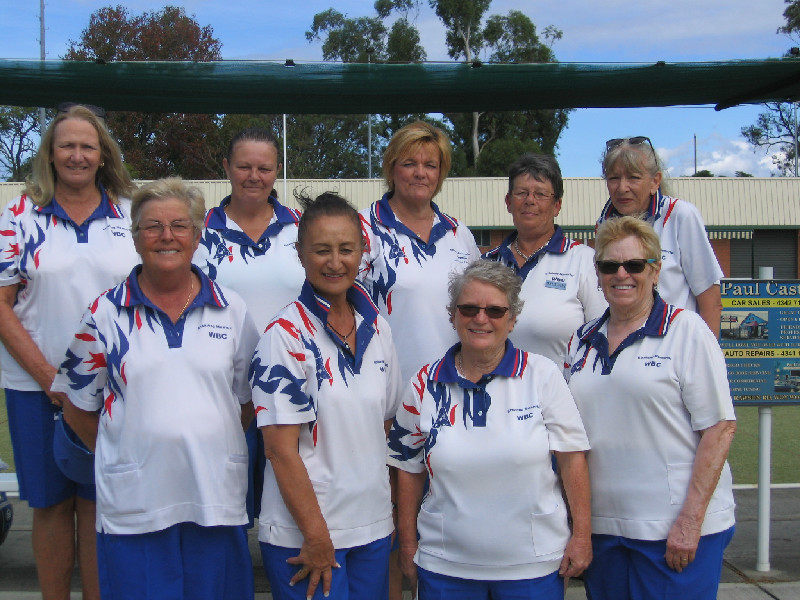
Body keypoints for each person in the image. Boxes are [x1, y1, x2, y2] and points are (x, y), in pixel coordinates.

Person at [51, 177, 259, 600]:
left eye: (180, 225)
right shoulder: (105, 313)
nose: (167, 237)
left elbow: (247, 401)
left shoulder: (232, 308)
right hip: (136, 504)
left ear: (198, 235)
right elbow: (76, 406)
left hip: (213, 497)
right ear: (135, 237)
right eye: (152, 227)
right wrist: (125, 445)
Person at [389, 260, 592, 600]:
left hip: (533, 567)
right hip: (444, 567)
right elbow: (407, 469)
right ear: (453, 315)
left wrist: (582, 536)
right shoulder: (424, 383)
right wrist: (408, 542)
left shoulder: (542, 376)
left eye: (495, 311)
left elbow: (572, 460)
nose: (481, 319)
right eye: (469, 308)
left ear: (512, 320)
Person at [0, 103, 138, 600]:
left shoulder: (129, 211)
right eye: (67, 146)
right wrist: (52, 382)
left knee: (100, 504)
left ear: (103, 155)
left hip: (116, 390)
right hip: (35, 388)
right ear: (50, 155)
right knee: (51, 505)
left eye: (87, 146)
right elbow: (2, 305)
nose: (77, 155)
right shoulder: (19, 214)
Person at [564, 216, 736, 600]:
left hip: (673, 530)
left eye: (635, 265)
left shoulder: (687, 331)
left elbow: (720, 427)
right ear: (598, 273)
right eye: (609, 265)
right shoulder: (582, 339)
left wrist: (690, 521)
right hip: (605, 530)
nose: (621, 274)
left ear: (655, 270)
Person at [252, 192, 402, 600]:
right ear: (300, 254)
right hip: (307, 536)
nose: (335, 262)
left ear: (362, 252)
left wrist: (387, 514)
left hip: (371, 528)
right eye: (321, 250)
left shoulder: (379, 329)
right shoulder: (283, 336)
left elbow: (384, 427)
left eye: (346, 249)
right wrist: (317, 537)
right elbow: (280, 451)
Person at [194, 127, 305, 525]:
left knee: (293, 499)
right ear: (226, 167)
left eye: (264, 167)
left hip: (294, 384)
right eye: (244, 166)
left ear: (277, 171)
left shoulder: (302, 231)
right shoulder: (199, 234)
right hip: (222, 388)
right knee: (226, 501)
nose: (254, 176)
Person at [359, 120, 481, 383]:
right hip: (386, 389)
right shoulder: (362, 229)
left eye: (430, 165)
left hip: (454, 389)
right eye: (409, 163)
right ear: (391, 170)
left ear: (440, 174)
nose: (420, 173)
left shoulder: (459, 234)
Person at [483, 153, 606, 365]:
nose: (530, 200)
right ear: (508, 202)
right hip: (495, 394)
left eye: (540, 194)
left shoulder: (585, 261)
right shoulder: (486, 265)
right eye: (521, 193)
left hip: (562, 394)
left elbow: (603, 337)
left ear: (557, 205)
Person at [597, 136, 723, 335]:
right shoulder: (603, 225)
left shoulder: (681, 215)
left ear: (655, 181)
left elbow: (711, 302)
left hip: (676, 350)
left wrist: (706, 359)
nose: (622, 188)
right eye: (614, 178)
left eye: (633, 177)